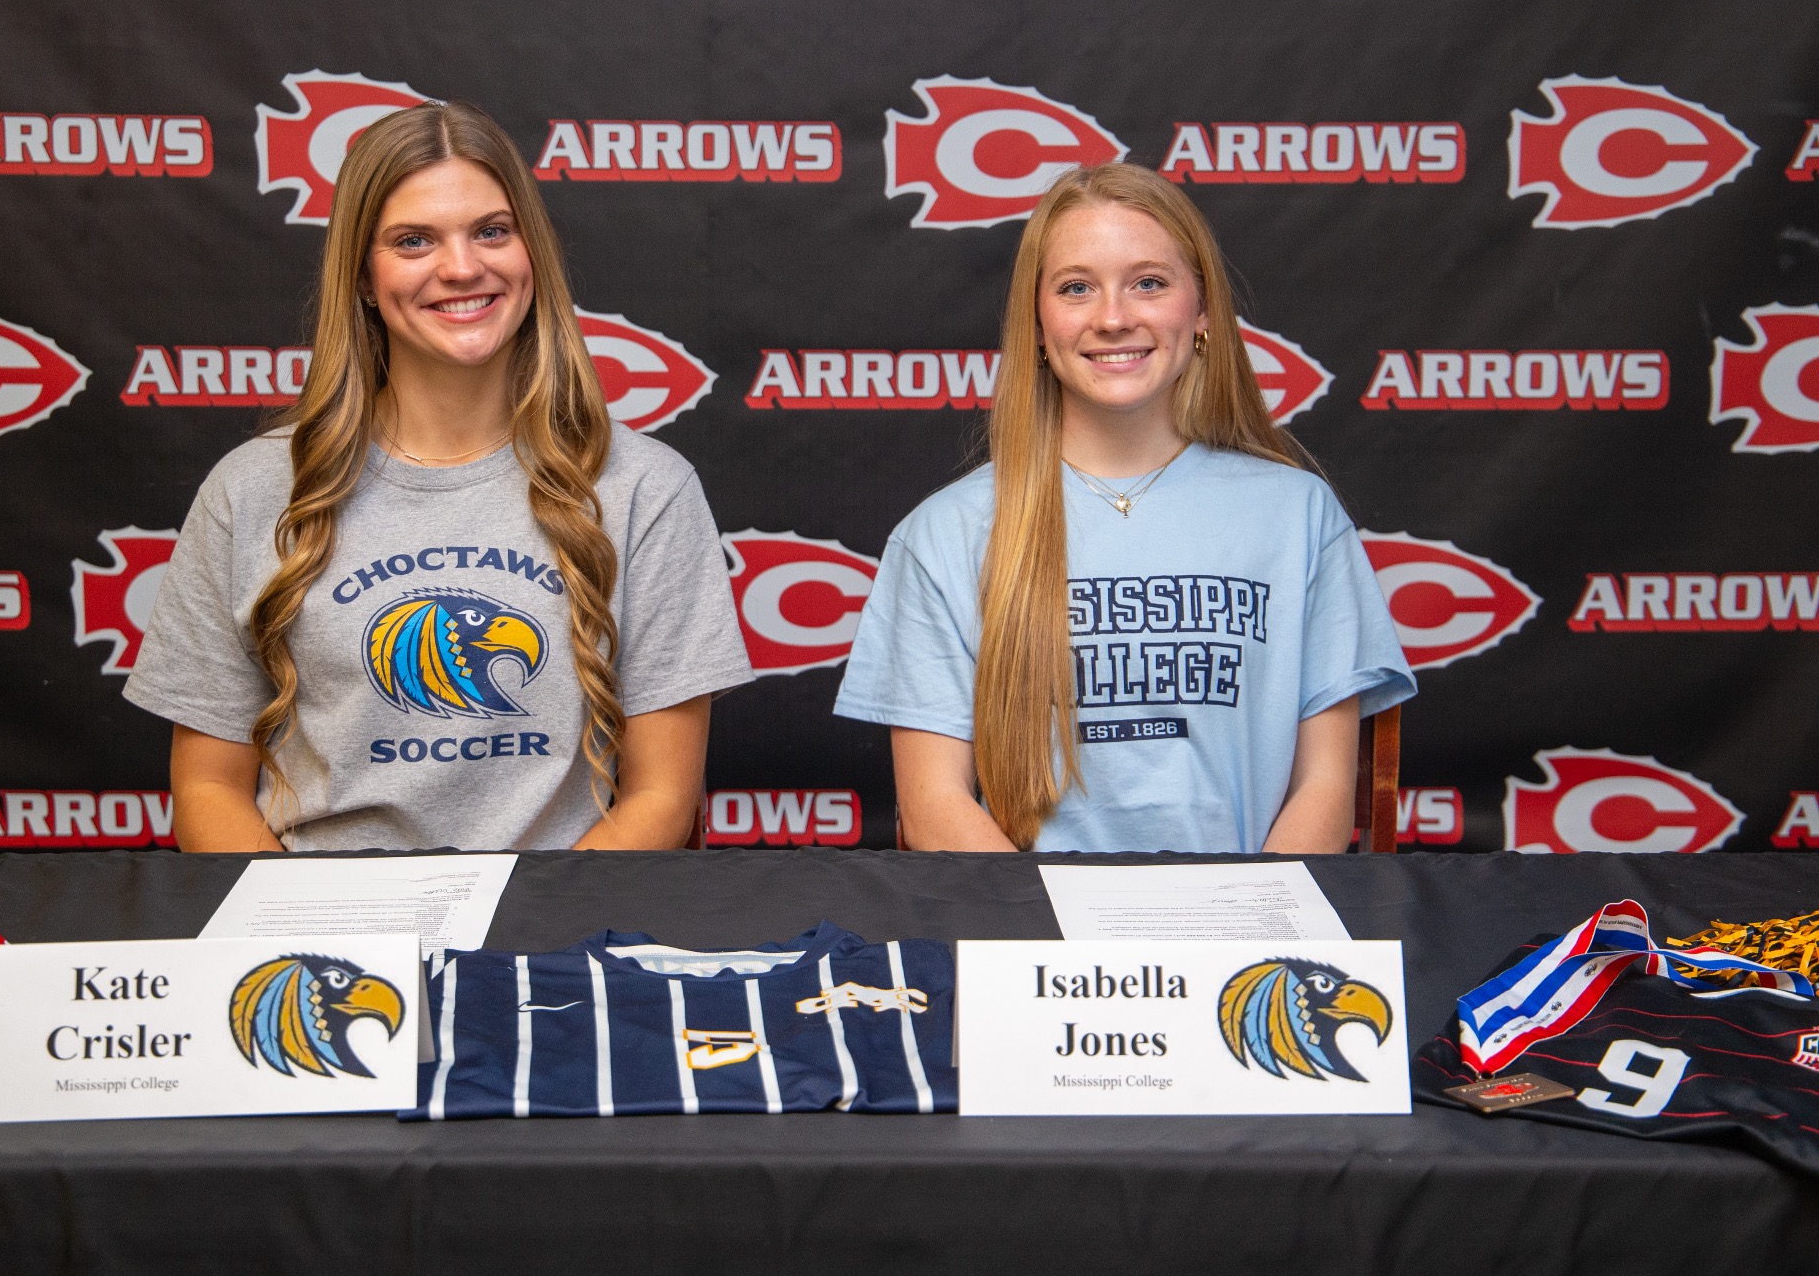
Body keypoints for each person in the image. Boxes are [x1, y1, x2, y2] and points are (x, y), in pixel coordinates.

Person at [125, 101, 753, 853]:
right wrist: (315, 940)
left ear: (532, 253)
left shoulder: (645, 488)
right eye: (413, 240)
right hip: (330, 948)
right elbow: (207, 789)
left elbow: (662, 797)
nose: (461, 267)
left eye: (492, 230)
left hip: (548, 938)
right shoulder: (253, 490)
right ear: (361, 274)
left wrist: (520, 948)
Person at [834, 162, 1413, 854]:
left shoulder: (1299, 516)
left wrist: (1246, 939)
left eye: (1149, 283)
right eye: (1077, 288)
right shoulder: (944, 534)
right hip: (1031, 943)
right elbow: (934, 806)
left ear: (1200, 313)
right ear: (1039, 325)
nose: (1113, 318)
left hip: (1242, 941)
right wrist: (1064, 954)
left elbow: (1323, 784)